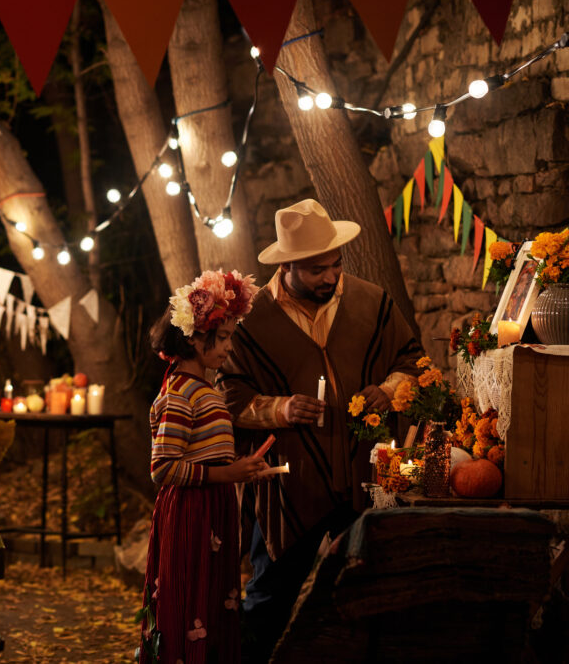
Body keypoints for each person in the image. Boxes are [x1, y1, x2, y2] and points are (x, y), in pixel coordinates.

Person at [215, 198, 422, 663]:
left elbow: (414, 361)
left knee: (372, 596)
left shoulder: (373, 302)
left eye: (335, 265)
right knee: (268, 599)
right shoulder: (249, 322)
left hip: (366, 477)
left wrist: (388, 391)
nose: (330, 277)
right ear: (288, 265)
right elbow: (225, 394)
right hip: (289, 485)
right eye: (315, 270)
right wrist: (281, 409)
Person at [139, 270, 269, 664]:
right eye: (223, 337)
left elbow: (204, 452)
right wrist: (226, 475)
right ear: (194, 336)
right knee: (188, 599)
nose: (229, 347)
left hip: (213, 513)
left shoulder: (204, 389)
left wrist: (240, 468)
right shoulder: (181, 392)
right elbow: (163, 468)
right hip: (190, 516)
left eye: (231, 336)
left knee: (213, 603)